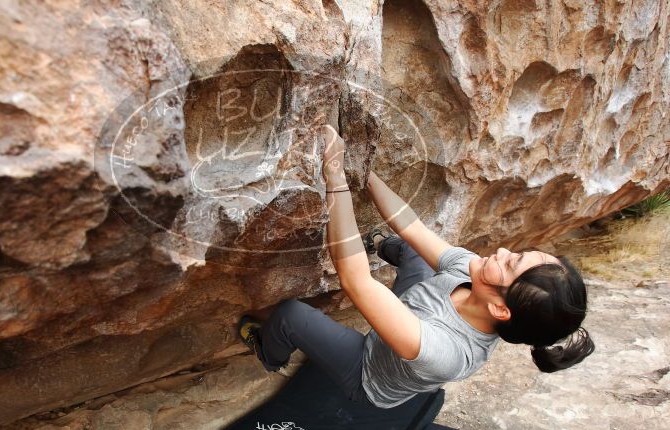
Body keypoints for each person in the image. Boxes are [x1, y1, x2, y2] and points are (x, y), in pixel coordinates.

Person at [238, 125, 594, 408]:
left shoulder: (448, 355)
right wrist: (364, 171)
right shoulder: (475, 275)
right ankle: (374, 244)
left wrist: (335, 177)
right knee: (412, 247)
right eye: (517, 252)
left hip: (368, 370)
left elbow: (356, 281)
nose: (501, 251)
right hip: (414, 310)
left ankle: (268, 353)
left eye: (511, 264)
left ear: (501, 308)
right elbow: (412, 226)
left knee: (290, 316)